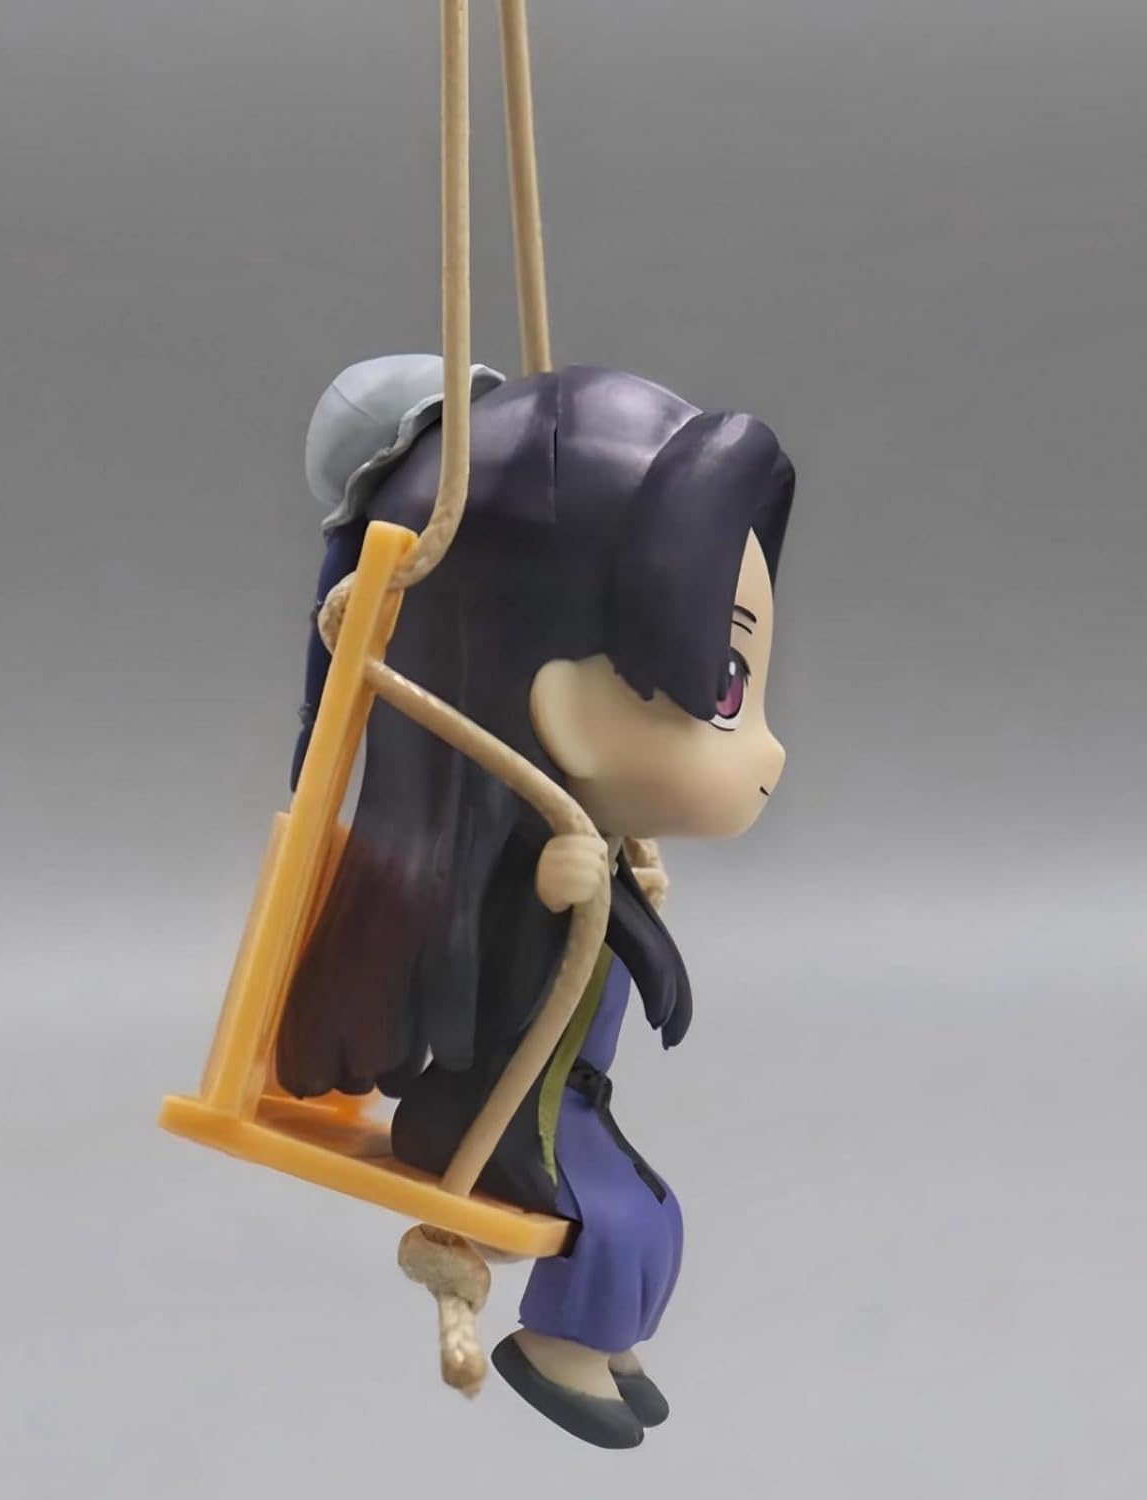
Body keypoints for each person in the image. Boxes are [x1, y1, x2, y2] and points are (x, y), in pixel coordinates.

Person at [279, 355, 795, 1447]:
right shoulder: (523, 862)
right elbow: (528, 969)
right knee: (616, 1218)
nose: (767, 751)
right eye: (725, 690)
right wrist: (575, 896)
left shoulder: (585, 845)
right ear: (557, 701)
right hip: (501, 1118)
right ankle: (562, 1346)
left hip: (568, 1104)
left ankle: (604, 1341)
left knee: (656, 1214)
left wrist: (618, 890)